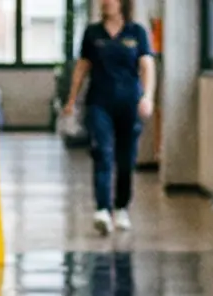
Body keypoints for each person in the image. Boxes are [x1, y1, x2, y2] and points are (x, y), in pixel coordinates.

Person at [62, 0, 155, 236]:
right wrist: (72, 99)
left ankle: (121, 207)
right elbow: (83, 66)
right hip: (99, 103)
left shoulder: (136, 32)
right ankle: (102, 209)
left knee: (126, 159)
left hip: (129, 104)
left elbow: (147, 65)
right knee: (102, 153)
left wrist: (148, 96)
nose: (106, 2)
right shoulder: (93, 33)